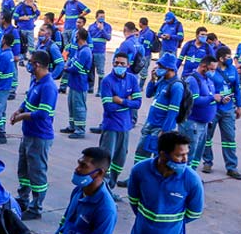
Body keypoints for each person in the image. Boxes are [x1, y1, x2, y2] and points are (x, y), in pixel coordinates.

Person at [13, 50, 57, 220]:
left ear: (37, 65)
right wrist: (20, 109)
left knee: (37, 172)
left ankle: (36, 207)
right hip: (28, 134)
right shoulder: (36, 81)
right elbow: (28, 100)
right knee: (23, 170)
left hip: (39, 137)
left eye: (31, 62)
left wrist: (22, 117)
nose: (29, 65)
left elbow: (43, 113)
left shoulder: (48, 87)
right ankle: (23, 199)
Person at [97, 51, 142, 194]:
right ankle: (103, 190)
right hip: (111, 126)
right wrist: (128, 102)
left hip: (125, 126)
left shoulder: (132, 80)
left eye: (122, 64)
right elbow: (108, 107)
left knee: (120, 159)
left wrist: (121, 100)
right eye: (116, 63)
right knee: (106, 159)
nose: (119, 66)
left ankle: (111, 187)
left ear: (128, 65)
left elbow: (138, 103)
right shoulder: (107, 81)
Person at [129, 53, 184, 169]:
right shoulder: (162, 80)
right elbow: (149, 94)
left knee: (157, 155)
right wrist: (152, 80)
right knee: (141, 152)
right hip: (150, 123)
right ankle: (137, 175)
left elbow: (173, 111)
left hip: (160, 127)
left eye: (160, 67)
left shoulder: (176, 86)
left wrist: (165, 131)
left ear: (169, 68)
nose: (158, 69)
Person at [205, 46, 241, 178]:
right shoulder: (212, 71)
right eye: (227, 57)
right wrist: (218, 98)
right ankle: (207, 162)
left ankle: (231, 167)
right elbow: (207, 89)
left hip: (228, 109)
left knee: (229, 138)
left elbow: (236, 88)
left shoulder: (233, 70)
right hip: (214, 109)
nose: (230, 59)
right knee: (207, 137)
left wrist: (239, 106)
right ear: (220, 59)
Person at [181, 56, 218, 175]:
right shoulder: (193, 80)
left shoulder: (208, 80)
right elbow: (195, 101)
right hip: (193, 124)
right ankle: (184, 178)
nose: (213, 72)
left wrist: (219, 99)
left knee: (198, 153)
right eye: (212, 69)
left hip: (204, 124)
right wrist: (212, 98)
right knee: (188, 153)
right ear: (203, 67)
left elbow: (209, 98)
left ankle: (192, 176)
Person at [62, 29, 93, 138]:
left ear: (79, 36)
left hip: (80, 83)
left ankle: (80, 130)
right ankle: (72, 126)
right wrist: (67, 65)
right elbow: (72, 60)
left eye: (76, 35)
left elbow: (76, 67)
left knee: (79, 107)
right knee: (72, 105)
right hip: (74, 82)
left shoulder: (85, 51)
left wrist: (66, 68)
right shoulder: (79, 50)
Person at [0, 32, 17, 144]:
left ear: (4, 41)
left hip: (1, 87)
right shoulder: (10, 54)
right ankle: (1, 130)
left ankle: (1, 133)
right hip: (6, 86)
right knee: (3, 111)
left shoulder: (4, 55)